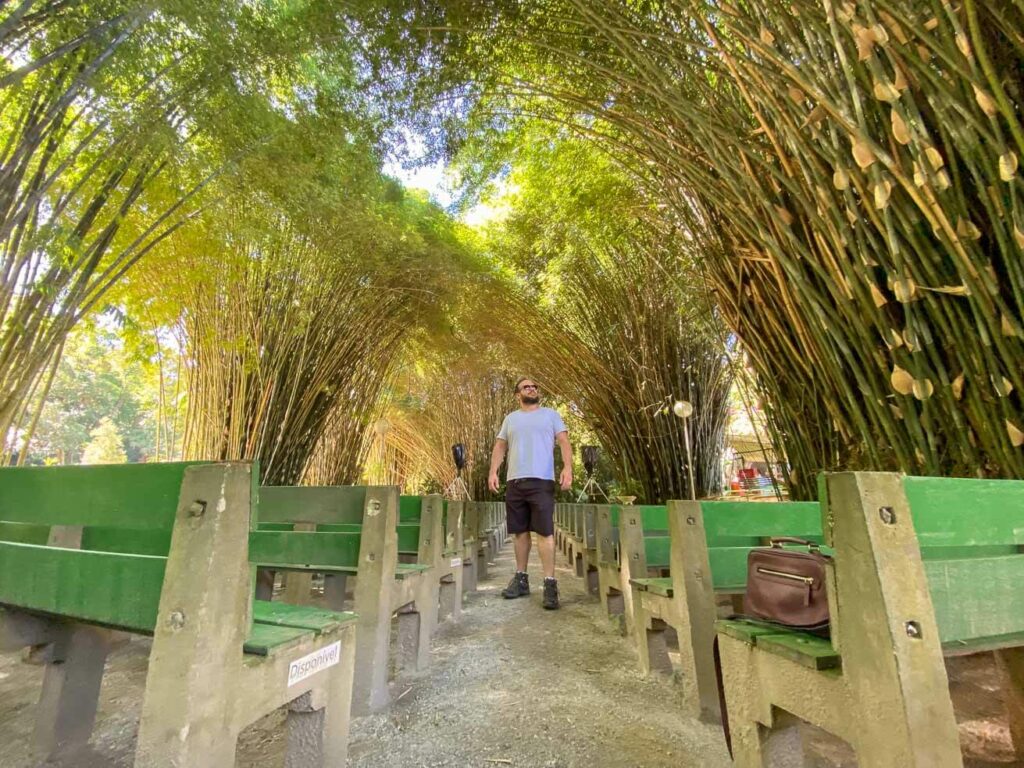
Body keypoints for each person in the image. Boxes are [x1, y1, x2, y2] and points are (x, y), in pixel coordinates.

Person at [488, 376, 573, 609]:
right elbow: (500, 446)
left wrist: (567, 468)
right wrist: (493, 471)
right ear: (518, 394)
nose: (532, 388)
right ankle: (521, 579)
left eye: (535, 386)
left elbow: (564, 442)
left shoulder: (550, 415)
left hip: (542, 481)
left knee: (545, 532)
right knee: (520, 532)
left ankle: (549, 583)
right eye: (527, 386)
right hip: (515, 481)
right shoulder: (510, 419)